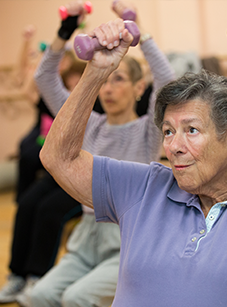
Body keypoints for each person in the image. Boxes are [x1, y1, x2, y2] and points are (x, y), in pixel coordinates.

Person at [38, 5, 227, 306]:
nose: (173, 146)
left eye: (191, 130)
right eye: (168, 131)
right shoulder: (146, 187)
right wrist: (97, 72)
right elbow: (58, 159)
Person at [29, 1, 175, 307]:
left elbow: (167, 81)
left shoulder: (148, 128)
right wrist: (65, 29)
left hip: (125, 242)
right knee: (40, 296)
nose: (108, 88)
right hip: (86, 240)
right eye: (105, 80)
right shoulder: (89, 126)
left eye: (118, 79)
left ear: (138, 88)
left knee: (76, 298)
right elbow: (44, 78)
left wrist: (136, 24)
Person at [0, 33, 88, 307]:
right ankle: (17, 274)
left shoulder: (95, 103)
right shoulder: (57, 100)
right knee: (26, 203)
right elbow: (34, 83)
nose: (73, 83)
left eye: (77, 77)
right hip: (57, 175)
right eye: (70, 79)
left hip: (82, 179)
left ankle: (38, 275)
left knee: (49, 210)